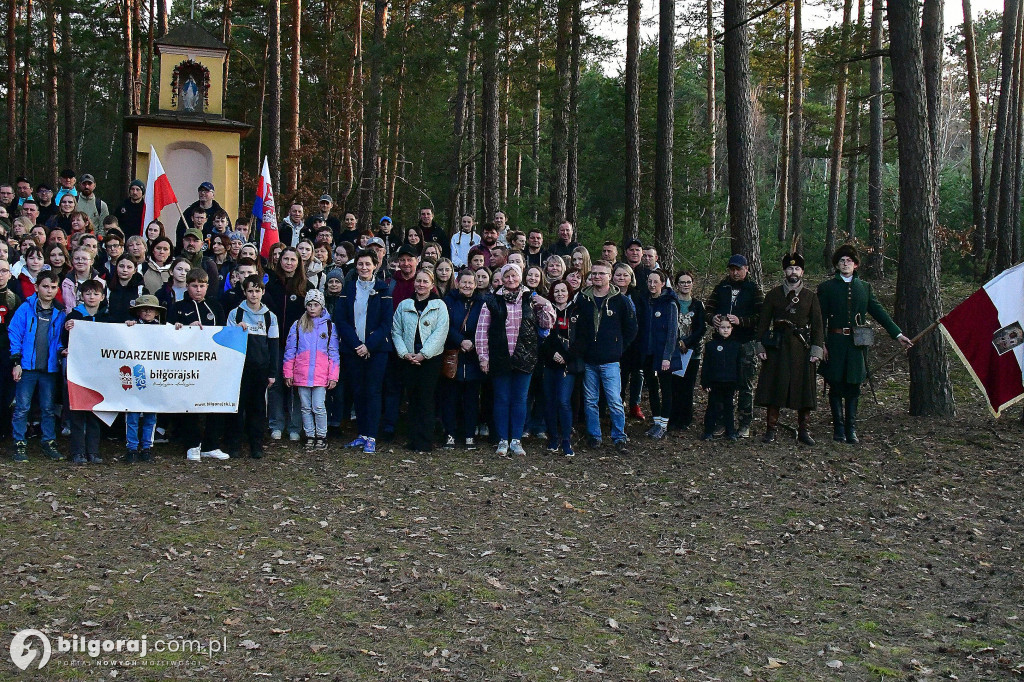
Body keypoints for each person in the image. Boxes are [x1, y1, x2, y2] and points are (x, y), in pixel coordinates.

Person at [817, 245, 913, 444]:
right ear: (836, 264)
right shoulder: (826, 288)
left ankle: (851, 429)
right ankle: (839, 429)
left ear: (856, 265)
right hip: (835, 342)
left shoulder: (865, 288)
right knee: (836, 384)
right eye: (842, 261)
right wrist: (821, 344)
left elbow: (879, 313)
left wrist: (897, 334)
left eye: (849, 261)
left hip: (857, 344)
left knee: (853, 385)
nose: (845, 264)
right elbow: (820, 320)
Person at [475, 263, 555, 456]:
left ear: (520, 277)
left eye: (514, 276)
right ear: (502, 279)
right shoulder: (491, 301)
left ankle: (516, 440)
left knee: (520, 399)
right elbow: (481, 332)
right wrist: (483, 357)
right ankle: (503, 439)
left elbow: (547, 323)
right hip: (500, 357)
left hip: (525, 357)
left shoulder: (531, 299)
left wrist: (545, 304)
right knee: (502, 398)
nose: (511, 280)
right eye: (507, 276)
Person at [754, 252, 825, 445]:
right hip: (777, 348)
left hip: (802, 349)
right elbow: (763, 324)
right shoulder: (773, 295)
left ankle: (804, 430)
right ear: (784, 271)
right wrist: (760, 346)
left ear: (802, 272)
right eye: (790, 268)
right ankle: (771, 429)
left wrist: (816, 350)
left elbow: (818, 326)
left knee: (804, 391)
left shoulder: (810, 297)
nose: (793, 271)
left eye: (797, 268)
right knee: (774, 388)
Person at [571, 260, 637, 454]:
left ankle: (619, 436)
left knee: (614, 400)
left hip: (611, 361)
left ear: (610, 276)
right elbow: (577, 326)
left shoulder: (621, 301)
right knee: (590, 400)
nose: (597, 276)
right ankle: (594, 436)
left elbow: (631, 328)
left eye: (601, 273)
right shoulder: (582, 298)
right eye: (594, 273)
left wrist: (618, 348)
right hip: (589, 359)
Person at [335, 250, 394, 454]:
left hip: (377, 351)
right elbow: (341, 320)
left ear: (375, 265)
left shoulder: (383, 289)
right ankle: (361, 433)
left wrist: (369, 345)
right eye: (360, 264)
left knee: (373, 391)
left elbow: (386, 323)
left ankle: (372, 436)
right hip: (353, 350)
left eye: (368, 264)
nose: (364, 268)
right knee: (358, 391)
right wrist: (356, 345)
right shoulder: (348, 289)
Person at [168, 267, 229, 461]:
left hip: (212, 365)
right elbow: (167, 335)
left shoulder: (215, 307)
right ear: (187, 286)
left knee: (214, 403)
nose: (198, 290)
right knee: (190, 406)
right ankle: (192, 444)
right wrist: (184, 329)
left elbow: (224, 333)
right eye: (194, 286)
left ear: (207, 287)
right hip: (187, 366)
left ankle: (211, 445)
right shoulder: (178, 307)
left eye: (202, 286)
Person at [9, 270, 66, 462]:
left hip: (49, 369)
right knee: (22, 407)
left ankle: (48, 442)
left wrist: (61, 352)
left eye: (53, 287)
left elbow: (59, 340)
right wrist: (16, 362)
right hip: (27, 367)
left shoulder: (60, 313)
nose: (49, 291)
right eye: (45, 286)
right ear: (36, 287)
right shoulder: (25, 308)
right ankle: (19, 443)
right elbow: (15, 334)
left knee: (48, 408)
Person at [706, 254, 763, 438]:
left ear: (746, 269)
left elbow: (761, 316)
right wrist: (712, 318)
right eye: (732, 269)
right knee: (721, 383)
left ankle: (744, 422)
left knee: (745, 384)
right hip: (722, 344)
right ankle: (722, 421)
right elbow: (708, 309)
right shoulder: (722, 287)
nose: (735, 272)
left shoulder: (753, 289)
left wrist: (742, 321)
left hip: (745, 343)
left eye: (738, 269)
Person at [392, 269, 449, 452]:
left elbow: (440, 333)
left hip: (430, 360)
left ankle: (425, 440)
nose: (421, 284)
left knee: (426, 399)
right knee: (413, 399)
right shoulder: (404, 305)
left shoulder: (439, 306)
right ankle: (413, 438)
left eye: (425, 281)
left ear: (432, 285)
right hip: (408, 358)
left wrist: (424, 354)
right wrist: (404, 353)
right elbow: (396, 331)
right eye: (418, 281)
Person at [282, 288, 338, 449]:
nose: (312, 308)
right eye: (310, 304)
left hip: (321, 374)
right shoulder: (298, 325)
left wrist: (333, 375)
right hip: (302, 373)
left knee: (319, 406)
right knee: (305, 407)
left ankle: (322, 435)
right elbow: (290, 350)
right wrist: (288, 372)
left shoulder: (329, 326)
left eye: (316, 304)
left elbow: (333, 353)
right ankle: (309, 435)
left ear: (322, 306)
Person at [265, 246, 307, 440]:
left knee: (295, 385)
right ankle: (276, 424)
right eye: (286, 259)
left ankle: (294, 427)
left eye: (293, 259)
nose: (289, 263)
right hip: (274, 343)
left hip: (299, 346)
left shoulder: (306, 286)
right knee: (276, 384)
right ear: (279, 261)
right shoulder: (270, 284)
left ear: (299, 263)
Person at [441, 268, 485, 449]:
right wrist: (460, 341)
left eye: (471, 282)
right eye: (464, 282)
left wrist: (473, 342)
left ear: (475, 285)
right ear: (458, 282)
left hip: (474, 357)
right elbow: (445, 325)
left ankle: (469, 435)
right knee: (450, 398)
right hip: (454, 355)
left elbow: (485, 324)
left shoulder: (482, 302)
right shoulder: (448, 301)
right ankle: (450, 433)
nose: (467, 285)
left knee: (472, 400)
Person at [122, 295, 166, 462]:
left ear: (156, 312)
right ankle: (132, 448)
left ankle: (147, 447)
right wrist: (127, 327)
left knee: (150, 416)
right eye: (144, 308)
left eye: (151, 309)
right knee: (132, 414)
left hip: (153, 377)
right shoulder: (130, 327)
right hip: (135, 375)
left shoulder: (164, 329)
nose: (147, 312)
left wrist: (178, 329)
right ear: (138, 312)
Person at [637, 270, 680, 439]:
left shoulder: (670, 304)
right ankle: (656, 422)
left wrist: (667, 356)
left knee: (666, 389)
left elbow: (672, 332)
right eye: (649, 281)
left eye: (656, 282)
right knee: (652, 388)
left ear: (663, 283)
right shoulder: (645, 302)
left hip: (663, 355)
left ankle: (664, 424)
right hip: (648, 353)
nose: (652, 285)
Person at [540, 279, 579, 456]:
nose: (560, 294)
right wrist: (552, 354)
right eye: (556, 291)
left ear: (569, 292)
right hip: (549, 362)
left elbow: (581, 338)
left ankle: (566, 440)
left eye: (563, 291)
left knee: (563, 401)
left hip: (568, 364)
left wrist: (567, 357)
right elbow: (542, 336)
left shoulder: (577, 310)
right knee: (549, 401)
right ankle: (553, 438)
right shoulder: (546, 310)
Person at [669, 271, 706, 431]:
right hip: (673, 350)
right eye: (682, 282)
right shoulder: (671, 302)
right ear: (677, 284)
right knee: (674, 385)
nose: (685, 285)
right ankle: (672, 417)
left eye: (688, 282)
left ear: (693, 284)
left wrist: (687, 342)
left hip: (692, 352)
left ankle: (686, 418)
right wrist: (677, 342)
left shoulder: (698, 305)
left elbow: (701, 328)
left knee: (688, 386)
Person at [701, 318, 741, 440]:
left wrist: (738, 382)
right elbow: (706, 365)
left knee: (729, 407)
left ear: (732, 329)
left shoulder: (736, 346)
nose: (725, 330)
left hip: (730, 382)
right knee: (712, 407)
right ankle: (708, 431)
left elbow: (739, 366)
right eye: (723, 327)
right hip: (715, 382)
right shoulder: (711, 345)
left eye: (728, 327)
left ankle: (731, 432)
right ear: (717, 328)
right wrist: (705, 382)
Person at [105, 255, 146, 324]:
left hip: (133, 328)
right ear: (116, 268)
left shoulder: (141, 290)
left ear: (135, 270)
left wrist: (134, 321)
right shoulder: (108, 288)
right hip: (111, 328)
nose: (125, 270)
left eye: (129, 267)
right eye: (121, 266)